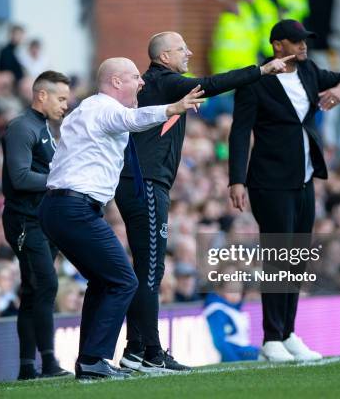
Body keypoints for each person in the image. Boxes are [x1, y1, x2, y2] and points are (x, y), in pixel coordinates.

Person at [115, 31, 291, 372]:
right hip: (145, 183)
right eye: (182, 48)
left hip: (143, 183)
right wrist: (261, 70)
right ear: (164, 57)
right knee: (151, 270)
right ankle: (151, 351)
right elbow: (211, 84)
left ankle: (135, 350)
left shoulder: (158, 83)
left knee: (147, 268)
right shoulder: (164, 81)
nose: (190, 52)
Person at [38, 57, 204, 379]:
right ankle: (94, 359)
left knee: (104, 281)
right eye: (134, 78)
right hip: (73, 208)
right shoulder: (103, 108)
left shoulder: (88, 111)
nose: (141, 83)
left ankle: (89, 361)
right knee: (125, 280)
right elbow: (135, 119)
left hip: (60, 208)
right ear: (116, 82)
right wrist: (173, 108)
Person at [228, 19, 340, 362]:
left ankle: (288, 333)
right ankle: (271, 338)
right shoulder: (255, 82)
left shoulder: (309, 71)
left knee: (297, 258)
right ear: (277, 45)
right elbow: (240, 132)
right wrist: (236, 179)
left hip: (304, 179)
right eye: (296, 41)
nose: (304, 46)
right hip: (269, 181)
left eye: (305, 41)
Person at [1, 70, 71, 379]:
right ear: (41, 95)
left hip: (42, 220)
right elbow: (20, 177)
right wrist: (61, 181)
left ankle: (28, 368)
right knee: (46, 285)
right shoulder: (21, 127)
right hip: (24, 221)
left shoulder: (43, 127)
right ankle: (49, 363)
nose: (65, 105)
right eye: (61, 98)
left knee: (33, 291)